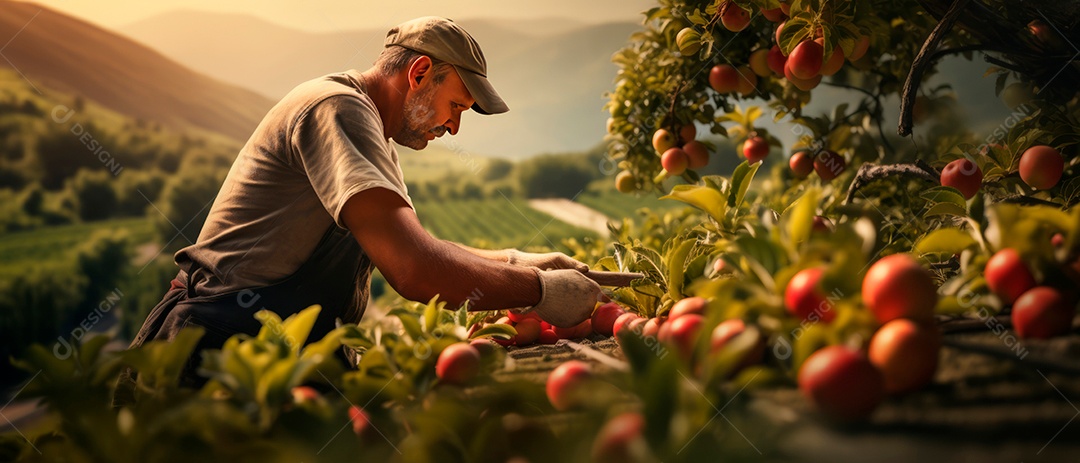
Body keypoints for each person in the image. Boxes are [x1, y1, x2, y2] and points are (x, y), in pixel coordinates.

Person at [117, 16, 602, 399]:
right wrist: (539, 290)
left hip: (273, 354)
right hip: (213, 354)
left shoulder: (375, 134)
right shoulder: (335, 109)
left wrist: (517, 261)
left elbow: (416, 245)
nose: (454, 128)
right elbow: (415, 269)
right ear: (418, 74)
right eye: (456, 106)